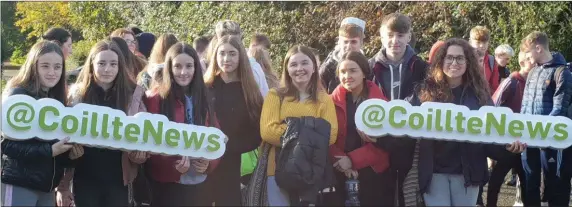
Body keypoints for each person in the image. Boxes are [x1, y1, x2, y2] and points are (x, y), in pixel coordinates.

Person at [405, 38, 526, 206]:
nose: (454, 62)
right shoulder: (425, 91)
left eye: (460, 58)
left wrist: (508, 146)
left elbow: (491, 136)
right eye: (449, 57)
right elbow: (400, 119)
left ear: (468, 62)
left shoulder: (480, 95)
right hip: (434, 173)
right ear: (441, 60)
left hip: (468, 174)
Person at [56, 40, 148, 207]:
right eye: (102, 63)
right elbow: (62, 139)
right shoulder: (76, 97)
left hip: (119, 179)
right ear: (92, 64)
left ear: (120, 66)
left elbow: (145, 138)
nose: (107, 69)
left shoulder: (133, 96)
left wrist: (139, 155)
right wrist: (62, 187)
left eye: (113, 64)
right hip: (84, 177)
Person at [1, 40, 79, 206]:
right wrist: (49, 150)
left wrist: (71, 156)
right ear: (33, 66)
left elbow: (56, 147)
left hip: (47, 187)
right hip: (19, 184)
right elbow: (6, 145)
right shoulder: (18, 95)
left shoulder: (57, 99)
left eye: (57, 67)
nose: (52, 72)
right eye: (45, 66)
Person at [143, 42, 220, 206]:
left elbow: (216, 136)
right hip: (167, 186)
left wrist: (209, 164)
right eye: (177, 66)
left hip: (200, 184)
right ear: (169, 68)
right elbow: (148, 144)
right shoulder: (155, 99)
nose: (183, 72)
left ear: (195, 68)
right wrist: (173, 165)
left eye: (188, 66)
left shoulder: (205, 96)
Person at [260, 45, 338, 206]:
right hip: (276, 169)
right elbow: (268, 131)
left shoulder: (324, 99)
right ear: (287, 69)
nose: (299, 68)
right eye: (293, 64)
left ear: (314, 67)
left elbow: (330, 135)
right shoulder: (275, 96)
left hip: (311, 172)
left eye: (304, 63)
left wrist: (291, 130)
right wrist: (312, 132)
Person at [369, 12, 429, 206]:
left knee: (408, 192)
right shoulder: (370, 66)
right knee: (380, 192)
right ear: (381, 36)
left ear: (409, 37)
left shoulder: (421, 67)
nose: (395, 40)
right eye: (390, 35)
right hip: (378, 139)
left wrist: (400, 116)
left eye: (401, 35)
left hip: (409, 139)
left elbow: (424, 96)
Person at [202, 35, 263, 206]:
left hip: (232, 165)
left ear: (240, 56)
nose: (226, 59)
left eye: (232, 53)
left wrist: (228, 147)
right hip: (203, 163)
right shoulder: (206, 87)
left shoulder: (250, 91)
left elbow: (256, 133)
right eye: (221, 53)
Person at [324, 51, 390, 206]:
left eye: (353, 71)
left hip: (373, 173)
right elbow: (327, 137)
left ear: (364, 73)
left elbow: (385, 143)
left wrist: (352, 161)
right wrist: (341, 160)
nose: (347, 76)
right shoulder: (329, 103)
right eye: (343, 72)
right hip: (339, 172)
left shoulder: (382, 104)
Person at [520, 31, 572, 207]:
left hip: (549, 139)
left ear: (538, 48)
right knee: (530, 184)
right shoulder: (533, 71)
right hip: (529, 137)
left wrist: (540, 132)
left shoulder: (562, 72)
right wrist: (521, 129)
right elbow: (525, 105)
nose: (526, 57)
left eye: (528, 52)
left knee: (555, 184)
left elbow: (559, 108)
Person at [486, 51, 533, 207]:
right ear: (522, 62)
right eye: (531, 61)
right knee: (495, 182)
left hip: (525, 143)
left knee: (527, 184)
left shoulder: (534, 83)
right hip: (506, 143)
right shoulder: (511, 82)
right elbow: (493, 108)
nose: (536, 64)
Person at [208, 20, 269, 97]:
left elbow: (264, 100)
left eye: (235, 42)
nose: (227, 58)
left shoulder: (253, 68)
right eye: (224, 42)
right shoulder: (209, 71)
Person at [320, 17, 367, 94]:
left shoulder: (368, 66)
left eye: (353, 42)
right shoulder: (327, 69)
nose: (349, 46)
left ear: (361, 43)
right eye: (345, 42)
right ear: (339, 42)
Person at [469, 26, 500, 93]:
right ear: (470, 42)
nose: (482, 45)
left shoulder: (491, 61)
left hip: (485, 100)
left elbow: (494, 86)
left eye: (484, 42)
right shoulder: (464, 59)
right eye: (478, 42)